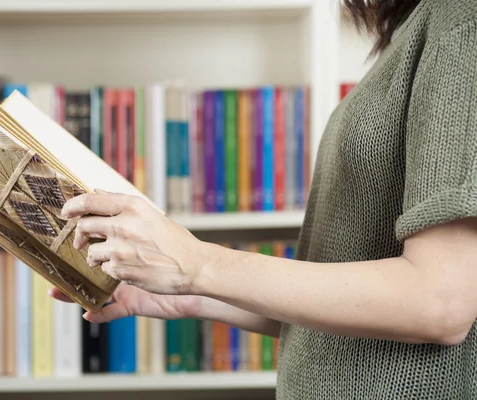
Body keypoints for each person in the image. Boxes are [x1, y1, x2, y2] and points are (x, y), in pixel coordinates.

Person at [51, 0, 477, 398]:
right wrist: (187, 294)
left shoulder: (460, 22)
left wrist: (197, 264)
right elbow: (347, 311)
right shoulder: (410, 30)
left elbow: (439, 302)